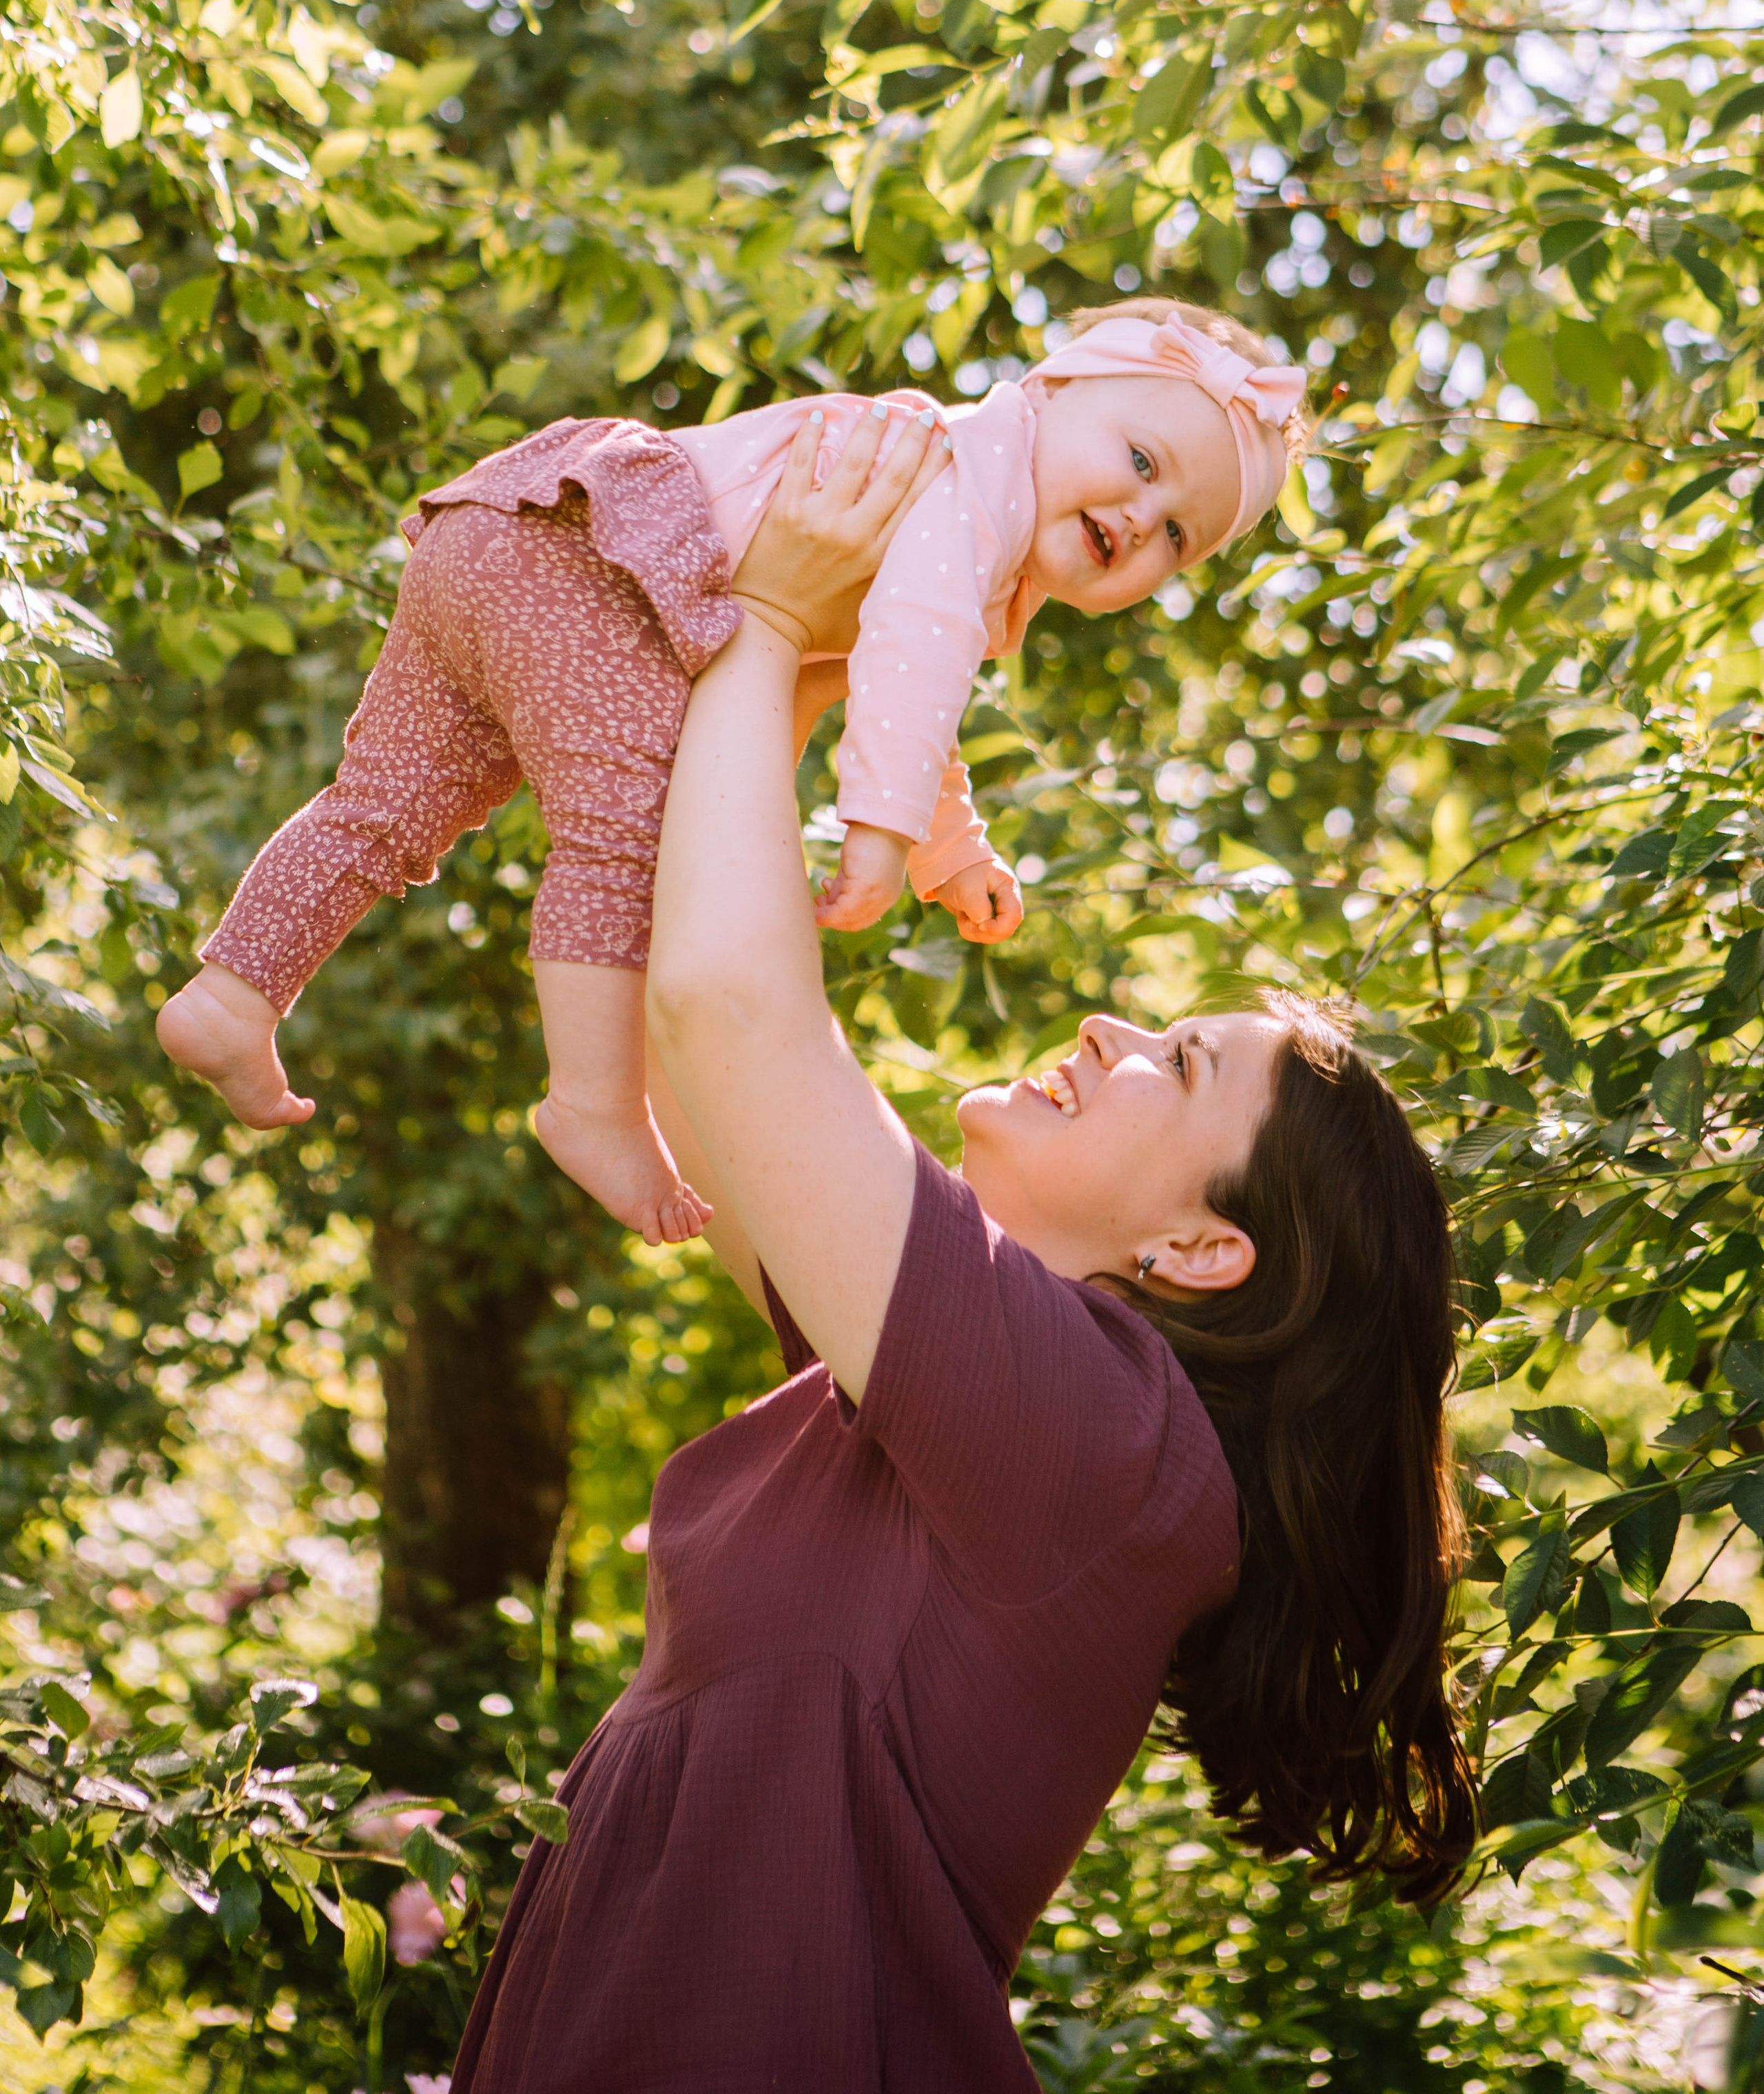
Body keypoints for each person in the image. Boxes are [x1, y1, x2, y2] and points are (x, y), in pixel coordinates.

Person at [448, 413, 1477, 2094]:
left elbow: (728, 1011)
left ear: (1200, 1251)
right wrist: (797, 663)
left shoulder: (1100, 1446)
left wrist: (775, 623)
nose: (1103, 1020)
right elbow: (676, 1044)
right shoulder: (957, 1387)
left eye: (1177, 1061)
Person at [154, 296, 1306, 1244]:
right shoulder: (963, 476)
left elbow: (912, 695)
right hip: (595, 577)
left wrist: (952, 851)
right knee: (640, 838)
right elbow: (909, 665)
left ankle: (235, 992)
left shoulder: (978, 523)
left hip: (506, 531)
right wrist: (881, 839)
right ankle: (593, 1105)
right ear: (1052, 391)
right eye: (1143, 460)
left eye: (1176, 535)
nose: (1140, 514)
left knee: (384, 804)